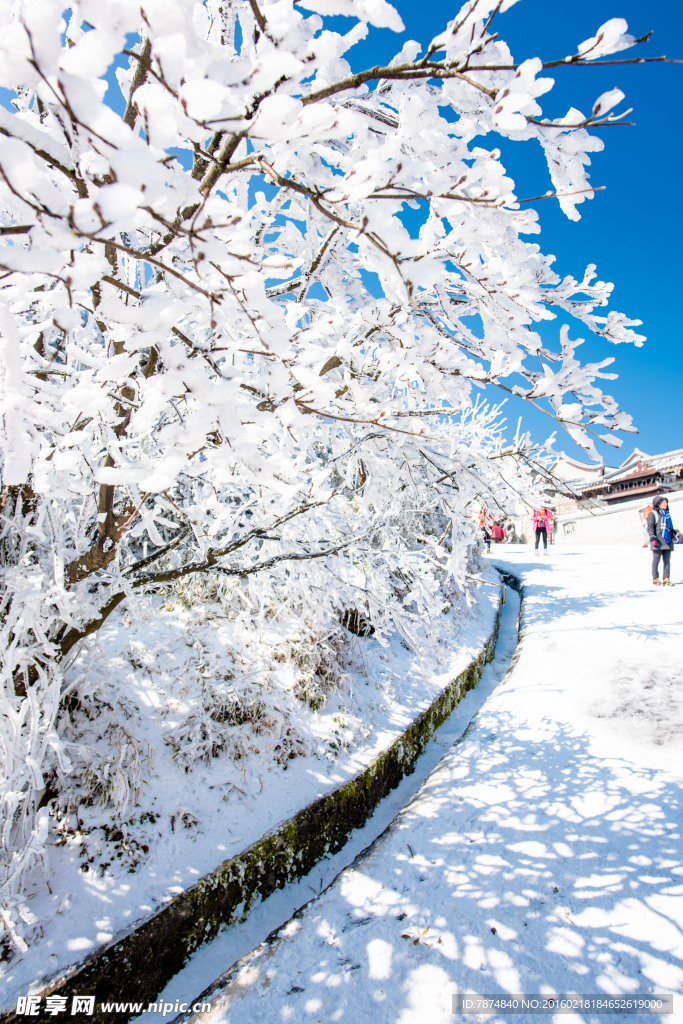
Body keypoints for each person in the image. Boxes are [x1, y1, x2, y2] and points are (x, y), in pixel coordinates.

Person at [647, 496, 679, 585]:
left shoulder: (667, 514)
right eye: (664, 502)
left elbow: (670, 527)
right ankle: (655, 578)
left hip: (668, 541)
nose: (666, 504)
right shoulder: (653, 514)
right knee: (656, 560)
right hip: (658, 541)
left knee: (667, 561)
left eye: (666, 502)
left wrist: (674, 534)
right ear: (658, 503)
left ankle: (666, 578)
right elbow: (650, 527)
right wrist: (653, 537)